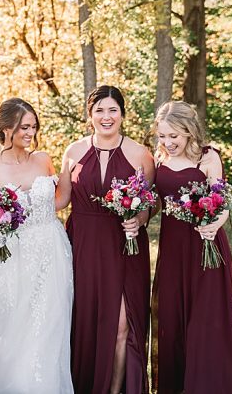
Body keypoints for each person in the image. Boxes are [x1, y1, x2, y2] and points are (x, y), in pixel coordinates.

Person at [0, 98, 74, 393]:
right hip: (13, 255)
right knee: (13, 326)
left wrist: (65, 171)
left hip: (51, 251)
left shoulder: (42, 159)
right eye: (24, 127)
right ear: (7, 129)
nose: (31, 133)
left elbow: (59, 202)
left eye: (34, 127)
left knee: (50, 325)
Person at [56, 86, 155, 393]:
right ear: (90, 115)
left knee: (122, 323)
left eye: (113, 110)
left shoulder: (141, 154)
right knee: (83, 321)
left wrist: (137, 220)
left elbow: (149, 204)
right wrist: (12, 205)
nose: (106, 116)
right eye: (99, 110)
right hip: (82, 244)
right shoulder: (73, 152)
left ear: (123, 114)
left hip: (124, 245)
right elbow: (59, 200)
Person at [150, 101, 232, 393]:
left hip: (206, 247)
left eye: (174, 136)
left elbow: (222, 202)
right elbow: (152, 202)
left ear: (189, 132)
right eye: (163, 136)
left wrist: (215, 223)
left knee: (206, 320)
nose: (168, 142)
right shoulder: (158, 159)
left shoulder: (208, 157)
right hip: (173, 250)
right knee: (173, 320)